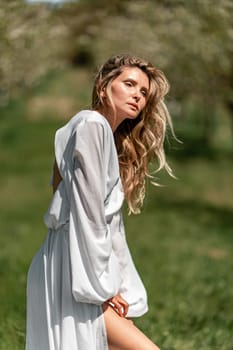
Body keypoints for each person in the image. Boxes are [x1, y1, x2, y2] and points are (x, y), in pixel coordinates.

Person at [26, 54, 175, 350]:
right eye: (129, 84)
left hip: (71, 266)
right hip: (74, 273)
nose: (137, 95)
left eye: (144, 92)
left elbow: (99, 220)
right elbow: (88, 216)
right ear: (104, 86)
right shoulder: (91, 125)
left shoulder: (91, 130)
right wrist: (101, 288)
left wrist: (119, 286)